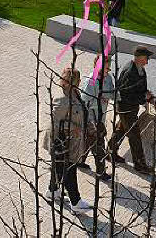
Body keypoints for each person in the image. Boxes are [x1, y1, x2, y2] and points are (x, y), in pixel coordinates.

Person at [44, 68, 93, 213]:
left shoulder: (75, 93)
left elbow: (81, 111)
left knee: (58, 168)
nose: (64, 82)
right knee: (69, 171)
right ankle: (76, 202)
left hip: (72, 141)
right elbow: (56, 121)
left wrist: (89, 125)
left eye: (67, 80)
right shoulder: (62, 98)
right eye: (64, 79)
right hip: (61, 141)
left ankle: (52, 191)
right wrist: (73, 128)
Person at [108, 46, 155, 175]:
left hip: (131, 107)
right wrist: (143, 97)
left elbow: (140, 88)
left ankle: (110, 152)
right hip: (126, 108)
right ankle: (139, 164)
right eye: (146, 58)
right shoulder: (130, 72)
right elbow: (126, 95)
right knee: (134, 136)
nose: (148, 61)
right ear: (139, 58)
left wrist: (147, 94)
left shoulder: (140, 69)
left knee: (122, 129)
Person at [79, 60, 113, 181]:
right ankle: (101, 172)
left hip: (100, 117)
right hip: (92, 119)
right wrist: (99, 99)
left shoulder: (108, 78)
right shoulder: (90, 82)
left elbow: (112, 93)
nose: (108, 71)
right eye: (106, 68)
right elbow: (84, 101)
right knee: (99, 146)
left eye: (109, 69)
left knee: (88, 141)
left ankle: (79, 160)